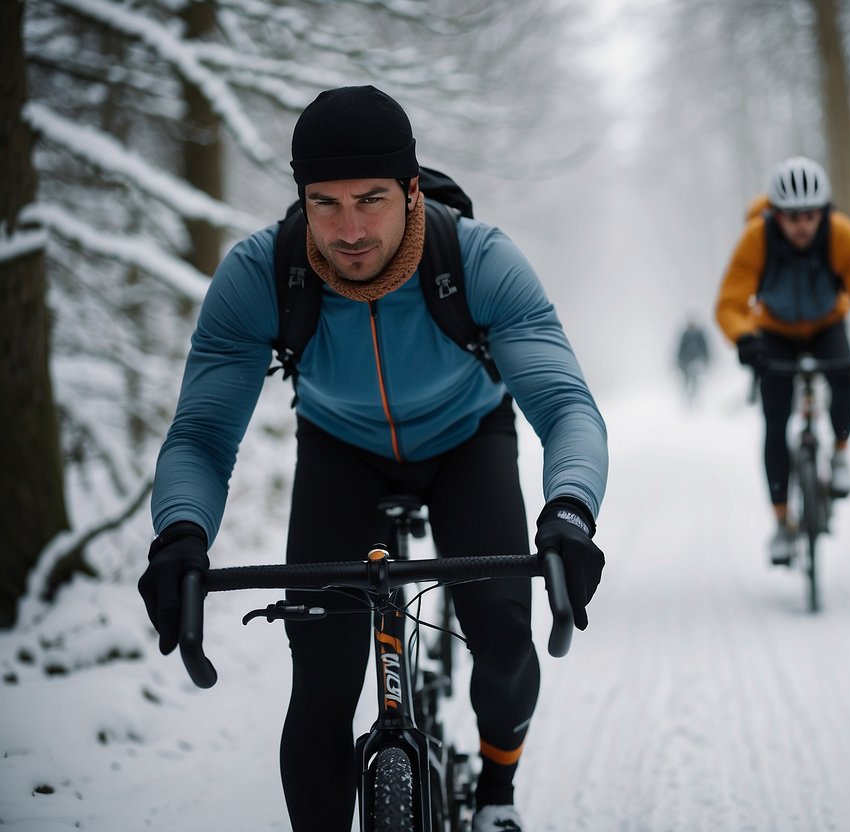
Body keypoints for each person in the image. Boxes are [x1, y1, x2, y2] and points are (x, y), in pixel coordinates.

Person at [137, 86, 608, 832]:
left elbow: (565, 408)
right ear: (300, 199)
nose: (349, 229)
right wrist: (181, 535)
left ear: (412, 191)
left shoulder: (478, 261)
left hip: (466, 442)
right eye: (325, 203)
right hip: (340, 452)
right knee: (321, 683)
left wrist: (570, 512)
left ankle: (494, 792)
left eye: (372, 199)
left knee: (504, 639)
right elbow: (200, 435)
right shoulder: (263, 276)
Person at [715, 156, 850, 565]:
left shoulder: (842, 236)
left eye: (810, 216)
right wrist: (743, 339)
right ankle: (781, 525)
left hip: (827, 324)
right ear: (775, 214)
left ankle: (841, 454)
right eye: (792, 217)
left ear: (823, 212)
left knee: (847, 383)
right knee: (775, 423)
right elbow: (729, 303)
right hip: (773, 331)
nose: (801, 225)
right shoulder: (756, 239)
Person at [675, 316, 711, 403]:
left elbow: (705, 348)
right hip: (686, 363)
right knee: (686, 382)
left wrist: (706, 360)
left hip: (696, 363)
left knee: (695, 381)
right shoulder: (685, 335)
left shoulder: (699, 335)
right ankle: (687, 399)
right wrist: (679, 362)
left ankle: (695, 398)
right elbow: (680, 349)